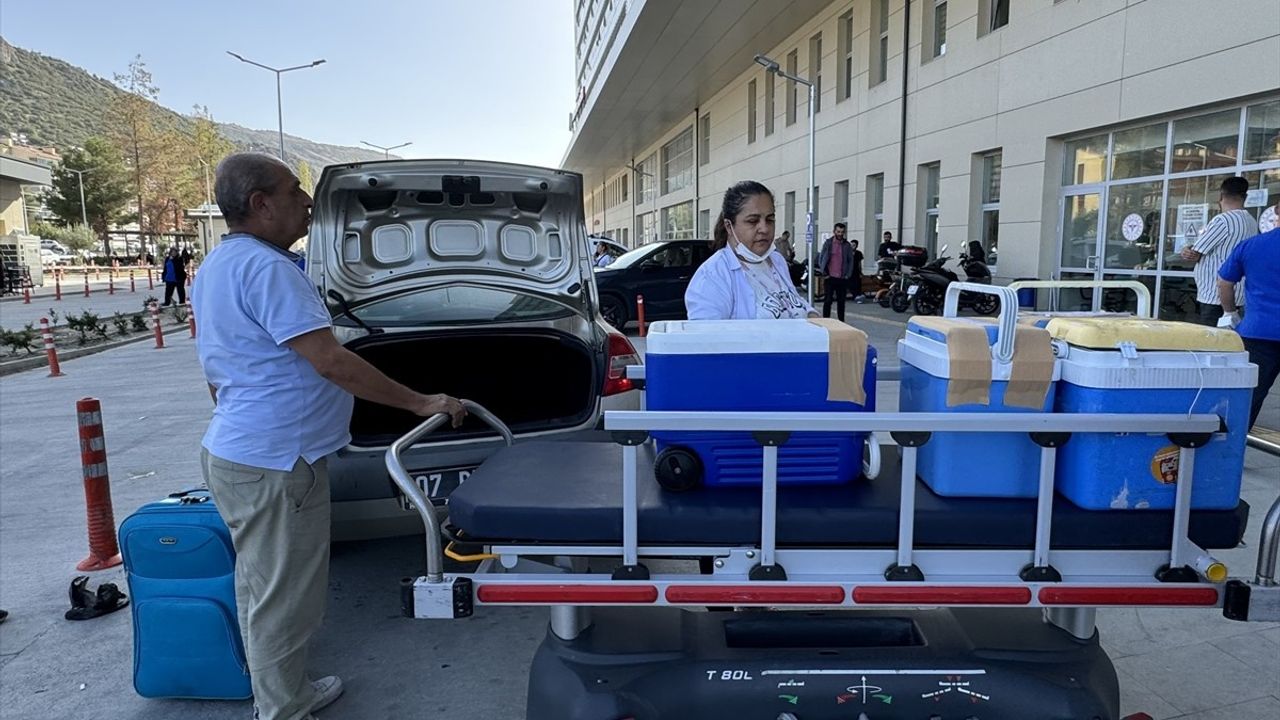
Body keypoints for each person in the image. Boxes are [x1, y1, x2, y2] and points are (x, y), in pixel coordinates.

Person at [193, 153, 467, 720]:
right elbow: (330, 362)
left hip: (242, 451)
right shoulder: (266, 269)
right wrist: (423, 402)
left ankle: (278, 688)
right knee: (285, 600)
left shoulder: (219, 264)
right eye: (295, 191)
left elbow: (221, 364)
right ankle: (283, 708)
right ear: (260, 204)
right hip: (276, 463)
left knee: (263, 588)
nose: (307, 203)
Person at [685, 180, 816, 320]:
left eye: (770, 220)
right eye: (753, 221)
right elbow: (708, 338)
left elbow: (794, 305)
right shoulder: (712, 276)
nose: (764, 229)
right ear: (729, 226)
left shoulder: (777, 261)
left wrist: (819, 321)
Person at [1218, 224, 1280, 430]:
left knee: (1248, 398)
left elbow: (1224, 282)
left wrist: (1230, 313)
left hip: (1258, 333)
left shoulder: (1251, 245)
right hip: (1260, 333)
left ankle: (1230, 450)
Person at [1182, 177, 1257, 325]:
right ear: (1245, 197)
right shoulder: (1251, 222)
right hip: (1239, 295)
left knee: (1210, 342)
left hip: (1215, 296)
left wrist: (1186, 250)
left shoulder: (1222, 220)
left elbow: (1195, 253)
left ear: (1221, 196)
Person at [818, 223, 857, 322]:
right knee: (828, 300)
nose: (840, 234)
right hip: (829, 277)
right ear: (834, 231)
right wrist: (823, 271)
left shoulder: (847, 245)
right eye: (838, 231)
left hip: (842, 277)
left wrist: (848, 274)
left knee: (841, 301)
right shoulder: (828, 243)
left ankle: (841, 321)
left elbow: (850, 260)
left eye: (842, 232)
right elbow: (821, 257)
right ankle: (826, 321)